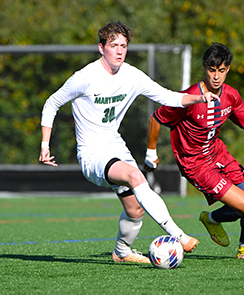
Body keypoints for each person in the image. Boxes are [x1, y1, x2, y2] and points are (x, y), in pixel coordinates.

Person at [39, 21, 220, 264]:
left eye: (123, 45)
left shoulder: (132, 75)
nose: (119, 51)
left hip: (116, 147)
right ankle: (179, 235)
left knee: (135, 210)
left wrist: (200, 97)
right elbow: (51, 103)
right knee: (136, 177)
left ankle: (122, 252)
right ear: (101, 48)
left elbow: (167, 96)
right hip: (92, 155)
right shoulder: (84, 78)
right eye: (114, 45)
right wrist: (45, 145)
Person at [144, 43, 244, 260]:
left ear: (228, 70)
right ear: (204, 68)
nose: (216, 76)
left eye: (221, 71)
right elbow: (156, 118)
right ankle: (213, 220)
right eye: (212, 70)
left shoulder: (231, 95)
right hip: (196, 164)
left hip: (218, 154)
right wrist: (151, 152)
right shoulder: (189, 97)